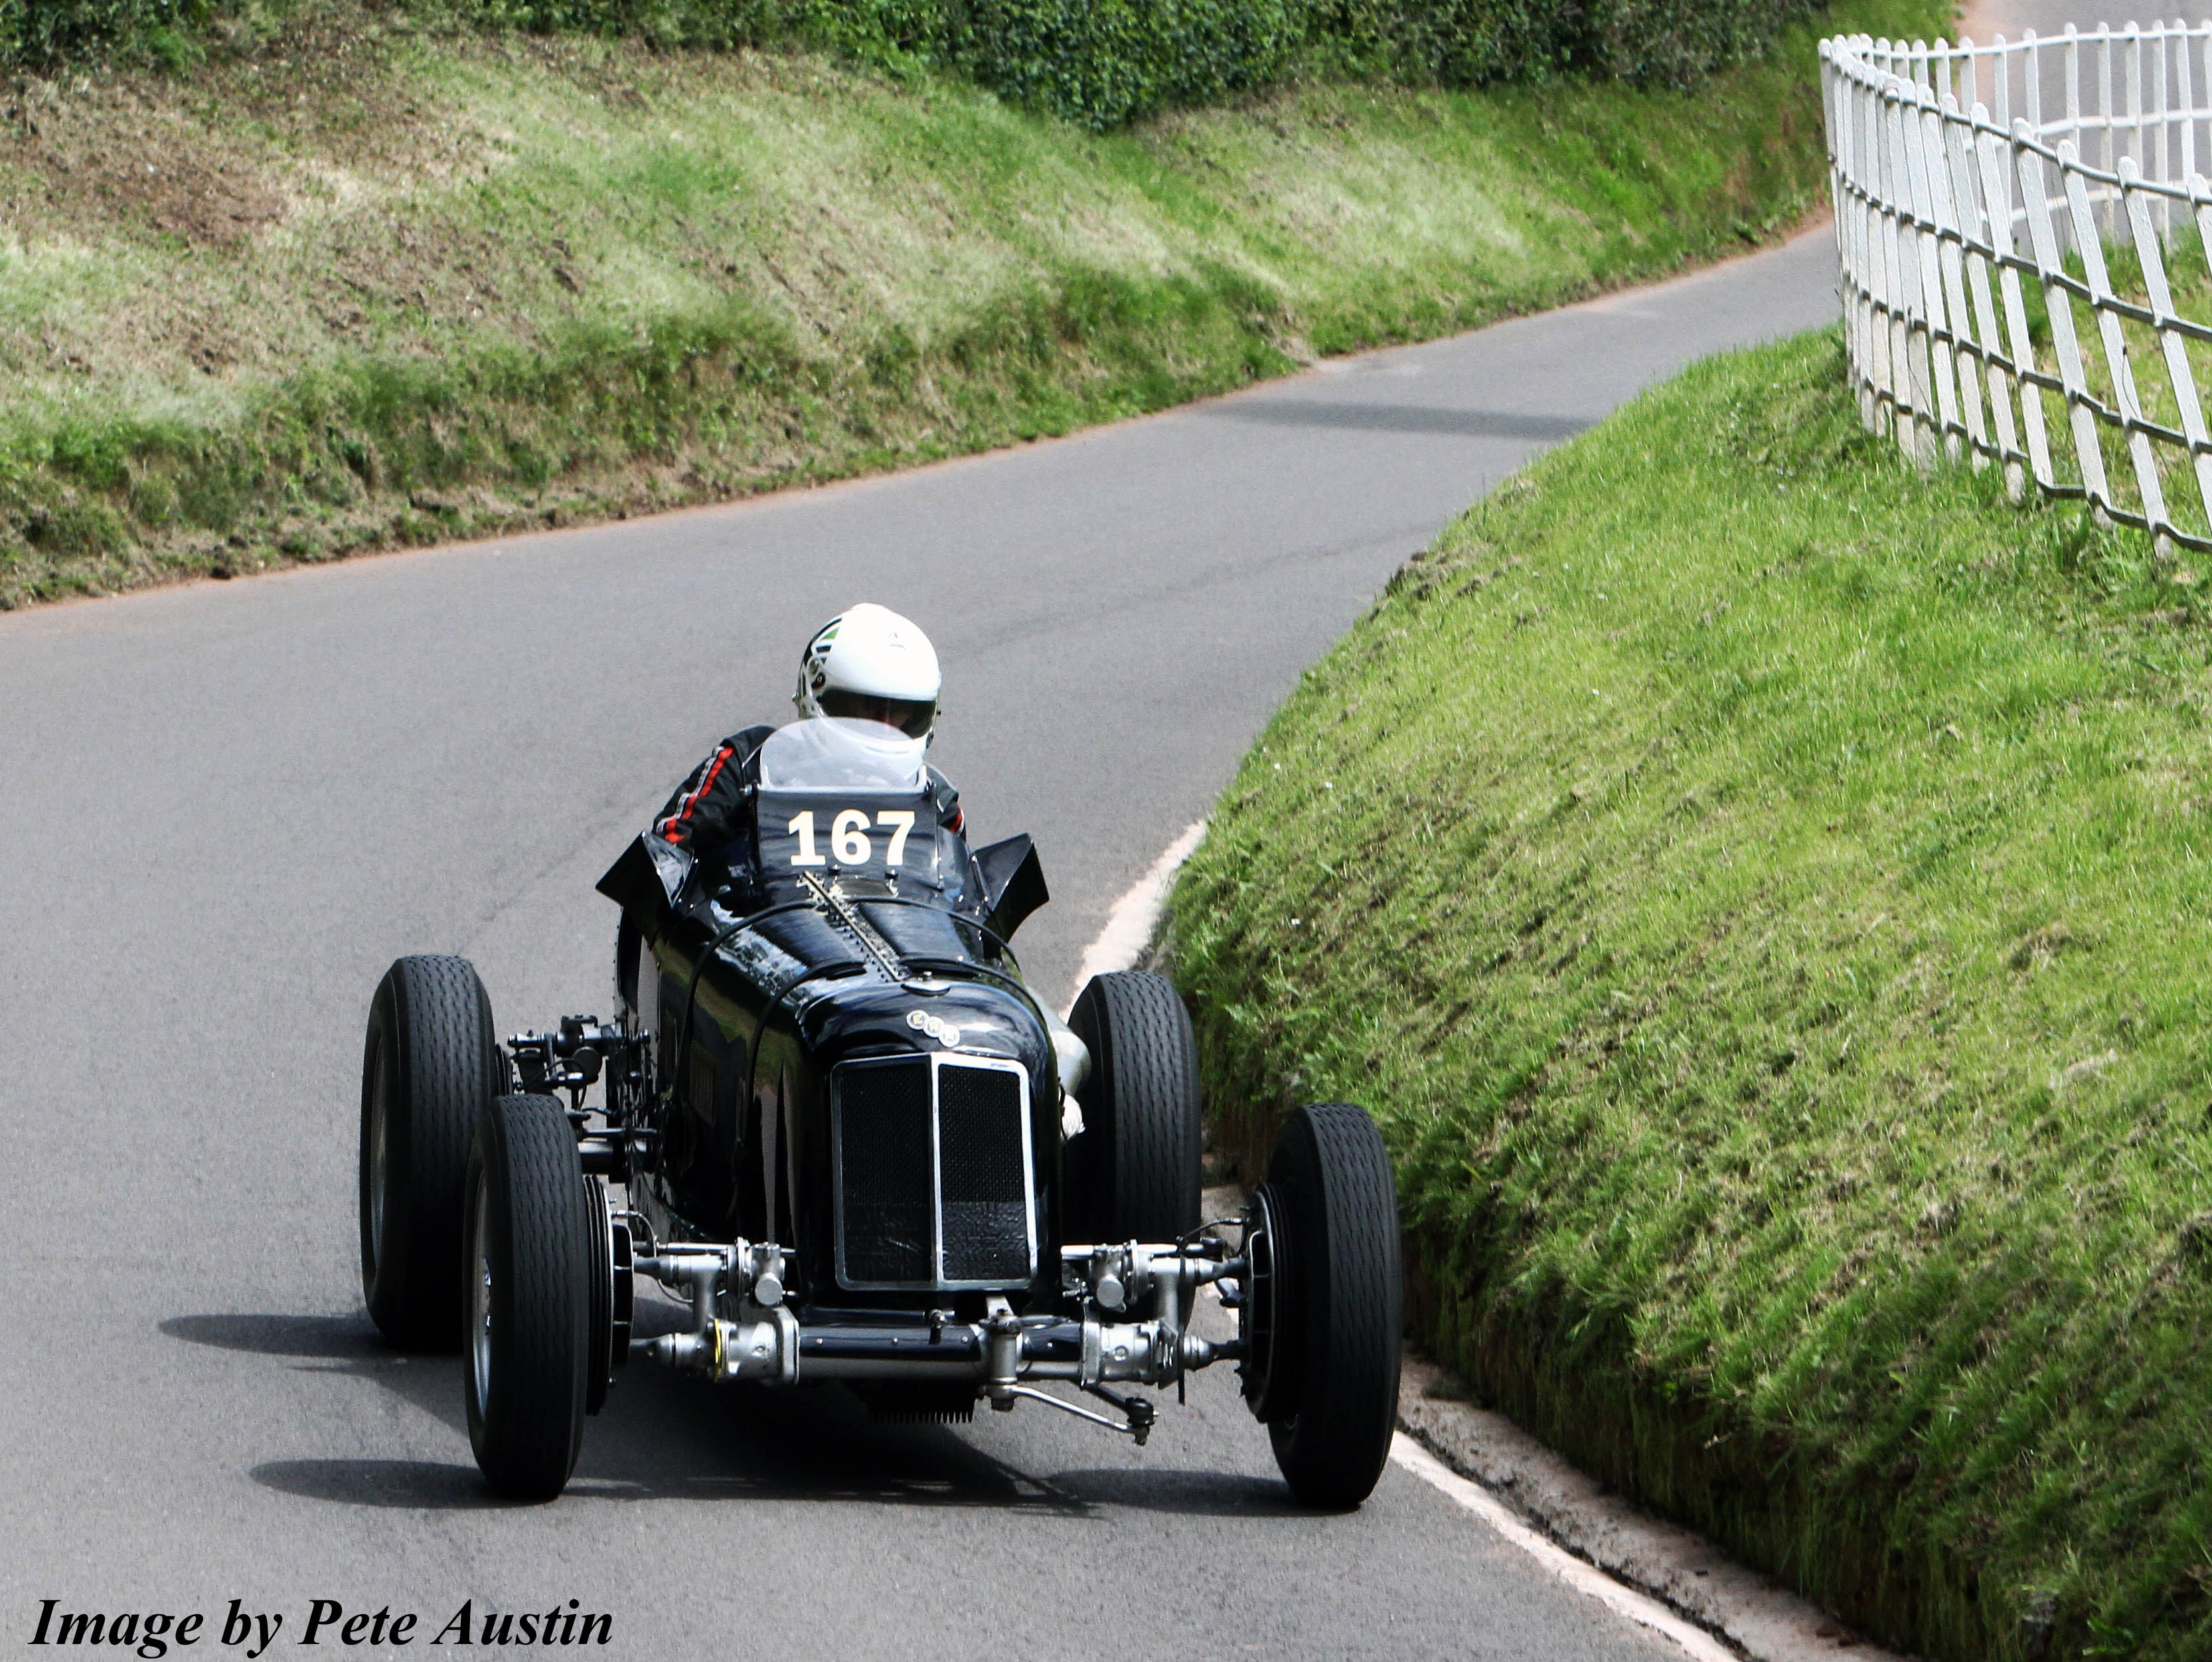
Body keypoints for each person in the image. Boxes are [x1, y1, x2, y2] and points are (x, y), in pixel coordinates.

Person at [653, 603, 965, 859]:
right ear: (818, 694)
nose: (883, 725)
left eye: (899, 711)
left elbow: (962, 902)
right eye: (865, 707)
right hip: (762, 925)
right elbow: (664, 851)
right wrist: (720, 838)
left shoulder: (935, 800)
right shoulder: (749, 761)